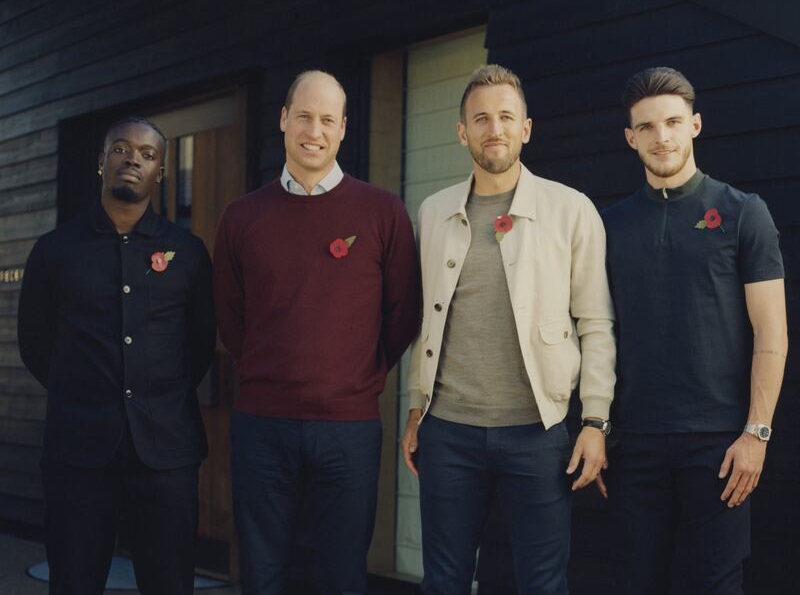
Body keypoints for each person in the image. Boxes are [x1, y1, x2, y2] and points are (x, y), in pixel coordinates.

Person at [401, 63, 616, 595]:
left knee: (542, 583)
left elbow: (596, 321)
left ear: (526, 127)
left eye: (505, 117)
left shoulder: (571, 210)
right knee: (444, 580)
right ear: (462, 132)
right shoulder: (431, 213)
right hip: (447, 430)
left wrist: (595, 420)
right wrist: (415, 410)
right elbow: (424, 324)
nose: (493, 128)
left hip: (538, 433)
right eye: (480, 118)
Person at [213, 70, 421, 595]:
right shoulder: (241, 217)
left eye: (328, 119)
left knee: (342, 575)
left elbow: (404, 313)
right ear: (283, 120)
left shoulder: (382, 212)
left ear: (344, 128)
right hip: (262, 423)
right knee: (262, 574)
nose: (314, 130)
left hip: (348, 426)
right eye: (304, 116)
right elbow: (229, 316)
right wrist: (270, 372)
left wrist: (357, 374)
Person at [603, 67, 788, 595]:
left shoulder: (743, 213)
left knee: (716, 583)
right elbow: (595, 331)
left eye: (673, 122)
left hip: (720, 445)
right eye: (647, 127)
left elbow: (771, 332)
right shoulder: (608, 225)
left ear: (696, 125)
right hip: (634, 443)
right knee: (638, 582)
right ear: (629, 137)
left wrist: (756, 433)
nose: (661, 137)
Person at [18, 117, 215, 595]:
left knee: (168, 583)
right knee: (74, 581)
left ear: (161, 174)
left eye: (148, 155)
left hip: (166, 451)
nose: (133, 160)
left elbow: (200, 346)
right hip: (78, 451)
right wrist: (85, 391)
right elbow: (35, 345)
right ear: (101, 162)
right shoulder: (55, 250)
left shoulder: (188, 253)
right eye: (122, 149)